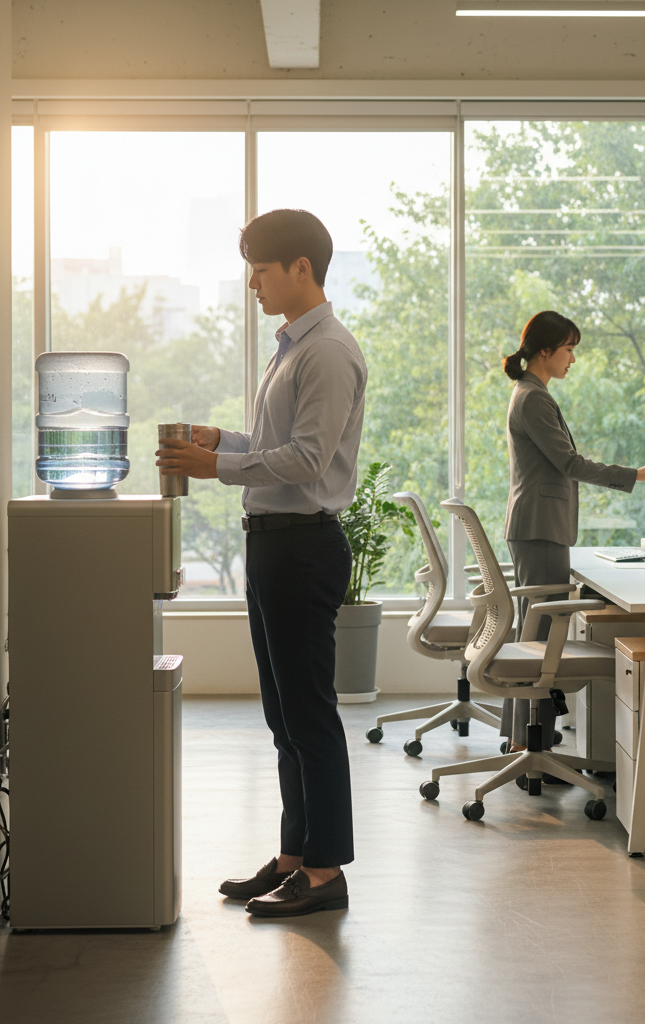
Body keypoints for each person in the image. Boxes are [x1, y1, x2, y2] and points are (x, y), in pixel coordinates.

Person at [155, 208, 366, 918]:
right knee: (283, 717)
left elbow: (308, 460)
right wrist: (228, 439)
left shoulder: (327, 350)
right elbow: (279, 444)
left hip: (303, 545)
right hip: (273, 541)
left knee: (309, 714)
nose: (252, 282)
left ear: (300, 267)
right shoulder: (291, 347)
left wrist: (218, 464)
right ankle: (294, 856)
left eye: (261, 268)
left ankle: (327, 871)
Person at [500, 310, 645, 754]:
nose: (572, 359)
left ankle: (522, 737)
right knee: (538, 635)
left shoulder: (531, 393)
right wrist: (634, 474)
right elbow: (570, 464)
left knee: (533, 631)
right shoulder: (534, 398)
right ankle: (526, 744)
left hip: (538, 525)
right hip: (540, 527)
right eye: (569, 349)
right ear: (546, 351)